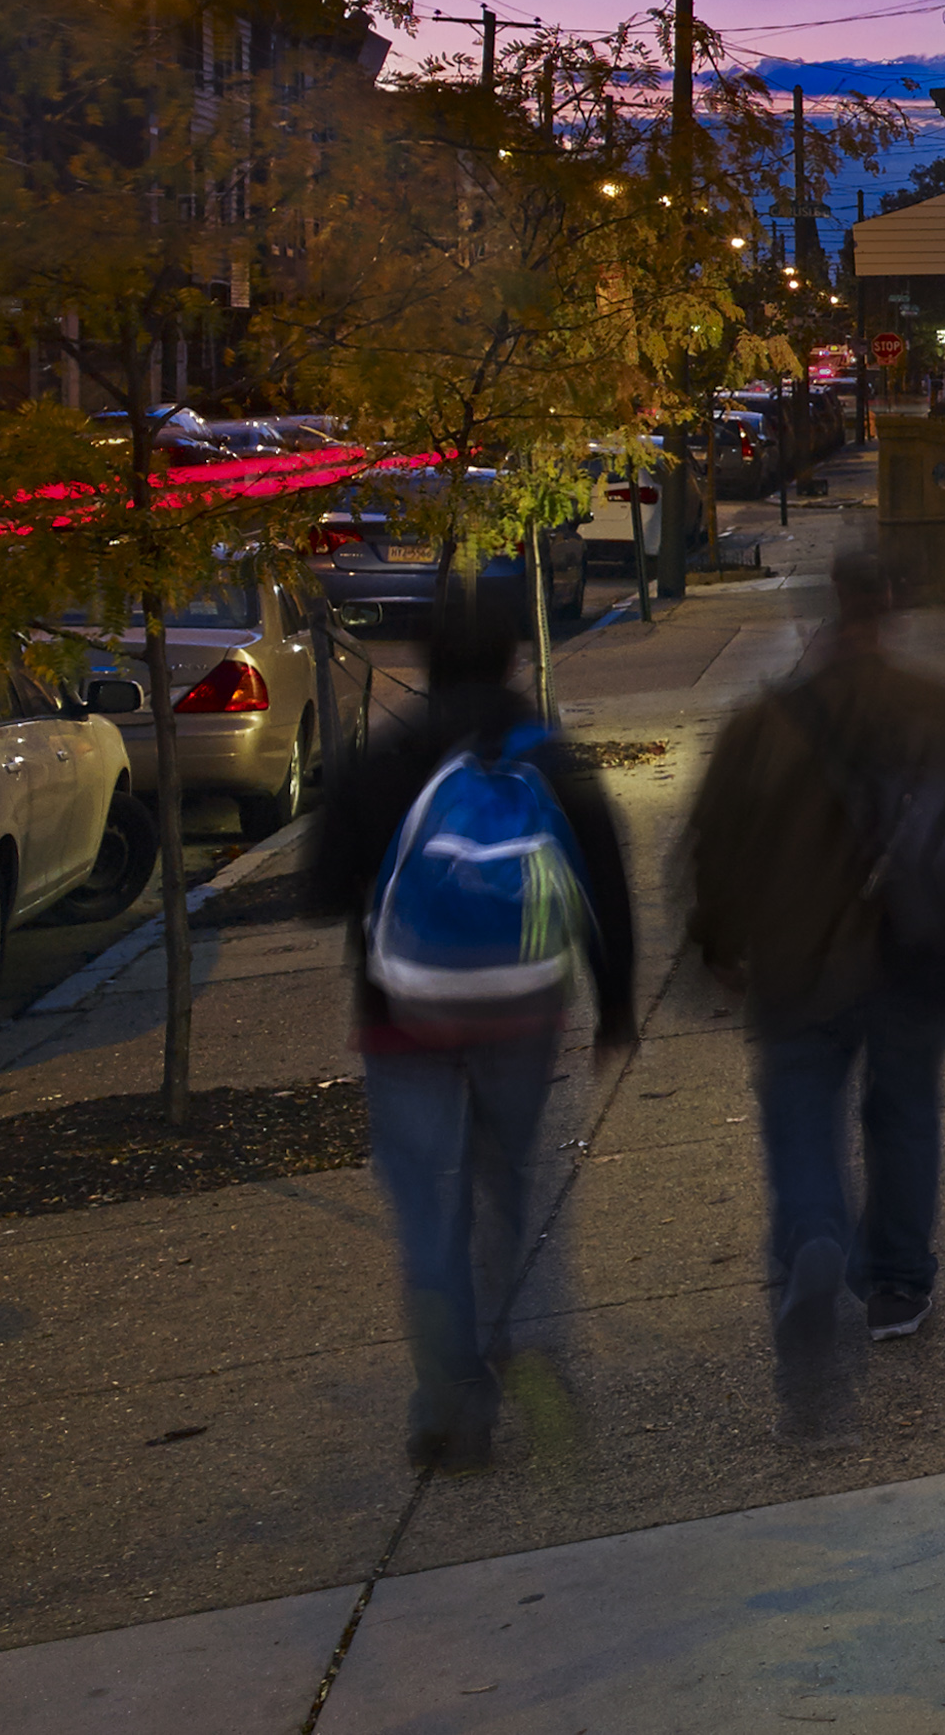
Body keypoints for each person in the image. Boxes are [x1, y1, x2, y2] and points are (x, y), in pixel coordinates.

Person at [681, 546, 945, 1434]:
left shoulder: (763, 723)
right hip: (917, 951)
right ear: (890, 608)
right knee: (904, 1110)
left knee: (800, 1108)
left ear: (829, 610)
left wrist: (719, 943)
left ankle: (816, 1236)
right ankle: (895, 1284)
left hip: (796, 962)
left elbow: (715, 845)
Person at [302, 574, 638, 1470]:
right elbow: (603, 877)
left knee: (427, 1214)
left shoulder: (390, 759)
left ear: (425, 659)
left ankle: (451, 1405)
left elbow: (321, 888)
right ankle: (523, 1335)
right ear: (512, 657)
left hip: (402, 1015)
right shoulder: (546, 757)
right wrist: (618, 1002)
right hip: (521, 1013)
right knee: (511, 1190)